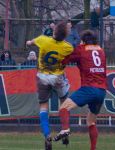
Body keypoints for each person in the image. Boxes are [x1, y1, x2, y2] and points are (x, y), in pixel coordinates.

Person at [53, 30, 107, 150]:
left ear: (83, 40)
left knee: (64, 108)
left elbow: (65, 60)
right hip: (102, 90)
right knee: (91, 121)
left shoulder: (81, 49)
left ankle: (65, 129)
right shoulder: (101, 50)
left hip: (89, 88)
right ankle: (93, 148)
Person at [26, 21, 73, 150]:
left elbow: (30, 42)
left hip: (42, 77)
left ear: (53, 32)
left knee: (43, 107)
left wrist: (29, 43)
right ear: (65, 36)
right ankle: (64, 129)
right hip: (57, 78)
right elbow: (70, 56)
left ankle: (47, 135)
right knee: (64, 102)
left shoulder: (42, 40)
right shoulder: (67, 47)